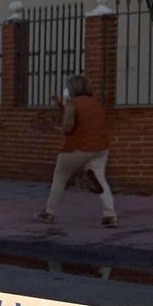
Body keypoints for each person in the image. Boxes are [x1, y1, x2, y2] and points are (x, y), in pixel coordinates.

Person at [39, 74, 116, 227]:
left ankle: (49, 212)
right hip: (100, 148)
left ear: (72, 88)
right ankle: (110, 214)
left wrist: (60, 129)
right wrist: (61, 106)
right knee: (99, 180)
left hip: (77, 148)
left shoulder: (73, 103)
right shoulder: (96, 103)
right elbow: (84, 118)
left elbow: (68, 127)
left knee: (60, 178)